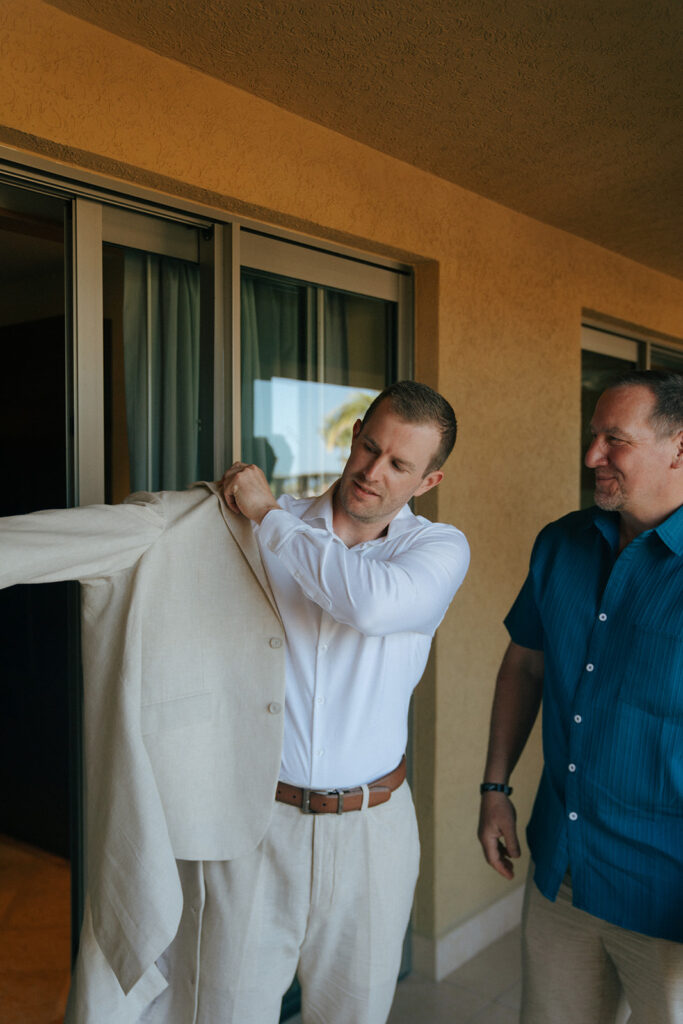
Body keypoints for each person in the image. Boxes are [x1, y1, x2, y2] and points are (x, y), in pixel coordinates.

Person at [0, 380, 469, 1024]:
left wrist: (270, 517)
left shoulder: (435, 551)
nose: (372, 472)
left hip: (374, 831)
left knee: (354, 1014)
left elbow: (369, 602)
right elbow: (110, 533)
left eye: (399, 465)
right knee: (219, 1012)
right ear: (355, 433)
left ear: (428, 481)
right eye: (369, 446)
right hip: (254, 824)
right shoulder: (238, 528)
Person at [477, 369, 683, 1024]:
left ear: (678, 448)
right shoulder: (560, 544)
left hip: (667, 899)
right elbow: (524, 668)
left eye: (613, 440)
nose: (591, 455)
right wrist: (494, 788)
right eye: (592, 436)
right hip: (562, 869)